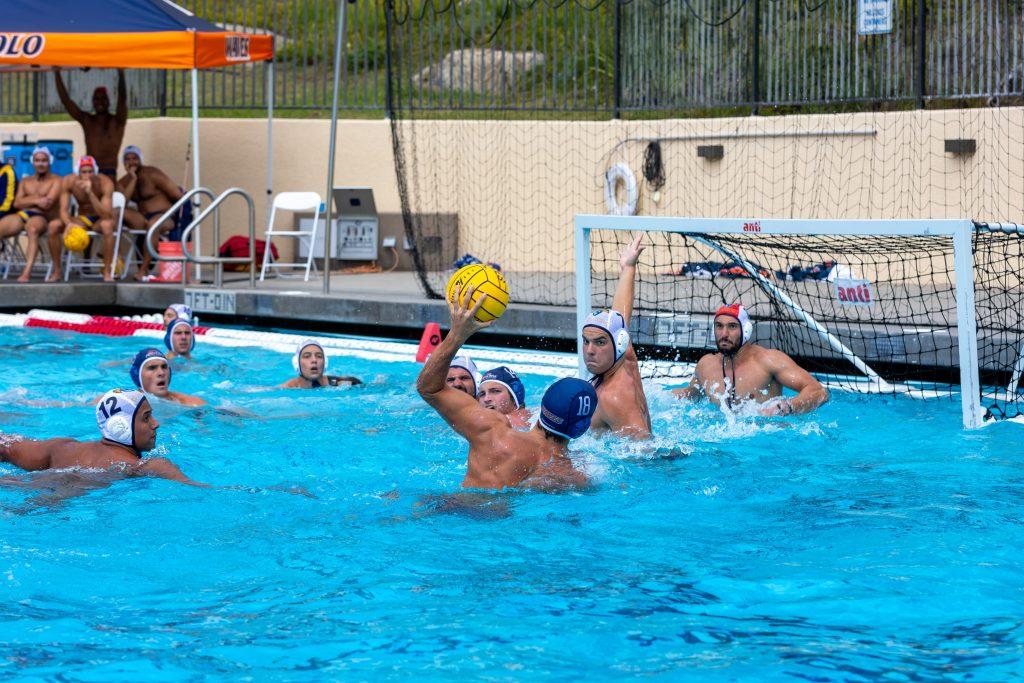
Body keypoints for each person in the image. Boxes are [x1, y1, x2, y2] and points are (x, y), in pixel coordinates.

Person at [417, 285, 596, 491]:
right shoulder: (575, 479)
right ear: (582, 428)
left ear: (542, 407)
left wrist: (457, 333)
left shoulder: (493, 433)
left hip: (458, 510)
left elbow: (428, 388)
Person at [0, 389, 204, 486]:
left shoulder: (61, 447)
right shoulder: (150, 465)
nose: (155, 423)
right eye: (146, 417)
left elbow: (6, 445)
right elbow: (202, 491)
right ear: (120, 426)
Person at [673, 303, 830, 416]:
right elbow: (693, 394)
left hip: (768, 445)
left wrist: (787, 407)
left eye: (732, 326)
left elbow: (819, 392)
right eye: (719, 326)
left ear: (746, 330)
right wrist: (662, 397)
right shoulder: (706, 365)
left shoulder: (768, 360)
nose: (724, 333)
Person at [580, 234, 652, 439]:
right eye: (586, 341)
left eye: (600, 342)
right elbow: (619, 317)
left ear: (618, 344)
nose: (590, 351)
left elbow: (644, 452)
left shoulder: (614, 396)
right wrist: (628, 268)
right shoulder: (624, 358)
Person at [118, 145, 185, 280]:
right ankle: (115, 262)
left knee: (153, 224)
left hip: (163, 216)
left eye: (135, 158)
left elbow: (178, 195)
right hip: (143, 218)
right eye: (128, 159)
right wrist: (133, 179)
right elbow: (123, 203)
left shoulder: (152, 173)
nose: (131, 162)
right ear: (123, 163)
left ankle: (143, 270)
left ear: (140, 159)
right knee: (118, 212)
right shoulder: (124, 182)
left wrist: (177, 217)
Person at [0, 147, 63, 282]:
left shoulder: (57, 180)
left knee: (32, 229)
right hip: (22, 215)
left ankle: (26, 272)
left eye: (44, 160)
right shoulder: (26, 181)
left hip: (41, 217)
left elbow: (47, 204)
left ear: (50, 161)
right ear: (32, 162)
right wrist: (36, 200)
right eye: (37, 160)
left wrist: (27, 201)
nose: (40, 163)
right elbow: (16, 203)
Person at [53, 69, 128, 178]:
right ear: (93, 102)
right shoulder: (87, 120)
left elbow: (122, 99)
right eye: (96, 99)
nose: (100, 102)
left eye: (103, 98)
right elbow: (66, 101)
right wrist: (57, 73)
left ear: (109, 101)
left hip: (109, 172)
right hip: (89, 172)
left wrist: (121, 73)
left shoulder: (117, 121)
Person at [59, 155, 116, 281]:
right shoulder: (69, 181)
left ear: (95, 171)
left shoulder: (105, 182)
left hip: (100, 219)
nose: (87, 175)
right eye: (84, 172)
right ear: (78, 173)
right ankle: (57, 271)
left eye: (90, 171)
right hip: (83, 219)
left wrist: (90, 193)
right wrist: (68, 223)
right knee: (54, 225)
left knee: (107, 225)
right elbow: (63, 210)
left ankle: (107, 271)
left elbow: (106, 215)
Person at [130, 348, 205, 406]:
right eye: (152, 368)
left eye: (164, 367)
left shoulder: (191, 403)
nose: (161, 373)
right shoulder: (128, 404)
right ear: (137, 375)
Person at [280, 339, 362, 389]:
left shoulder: (338, 384)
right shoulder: (287, 388)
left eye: (319, 356)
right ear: (296, 363)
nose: (314, 360)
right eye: (307, 356)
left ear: (325, 363)